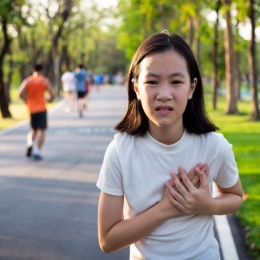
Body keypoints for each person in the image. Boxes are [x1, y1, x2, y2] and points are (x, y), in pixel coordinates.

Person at [96, 31, 243, 260]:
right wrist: (166, 208)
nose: (164, 94)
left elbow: (234, 196)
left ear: (192, 88)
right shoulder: (120, 151)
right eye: (152, 82)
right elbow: (107, 240)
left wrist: (206, 204)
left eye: (176, 82)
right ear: (136, 87)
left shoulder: (214, 146)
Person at [19, 64, 55, 160]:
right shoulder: (44, 80)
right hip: (41, 109)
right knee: (41, 131)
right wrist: (49, 100)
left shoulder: (28, 81)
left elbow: (20, 93)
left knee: (33, 130)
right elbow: (52, 94)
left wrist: (27, 101)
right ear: (42, 70)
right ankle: (37, 152)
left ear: (33, 70)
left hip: (31, 109)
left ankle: (30, 143)